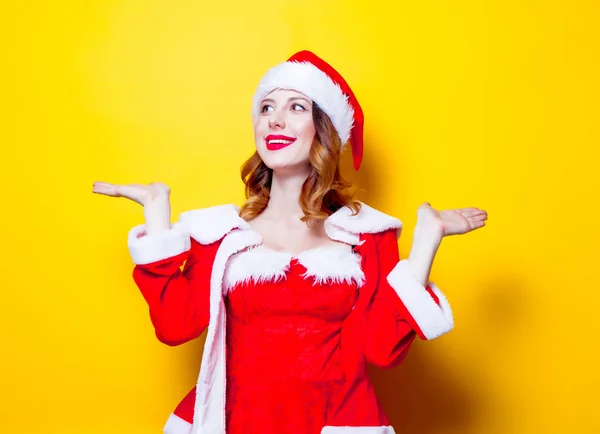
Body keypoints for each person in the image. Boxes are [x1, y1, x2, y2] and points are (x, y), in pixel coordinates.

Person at [93, 50, 487, 434]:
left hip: (335, 421)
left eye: (296, 107)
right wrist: (157, 215)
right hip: (236, 422)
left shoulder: (365, 237)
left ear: (324, 128)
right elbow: (176, 326)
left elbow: (381, 350)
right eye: (266, 108)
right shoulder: (221, 235)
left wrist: (426, 243)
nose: (275, 120)